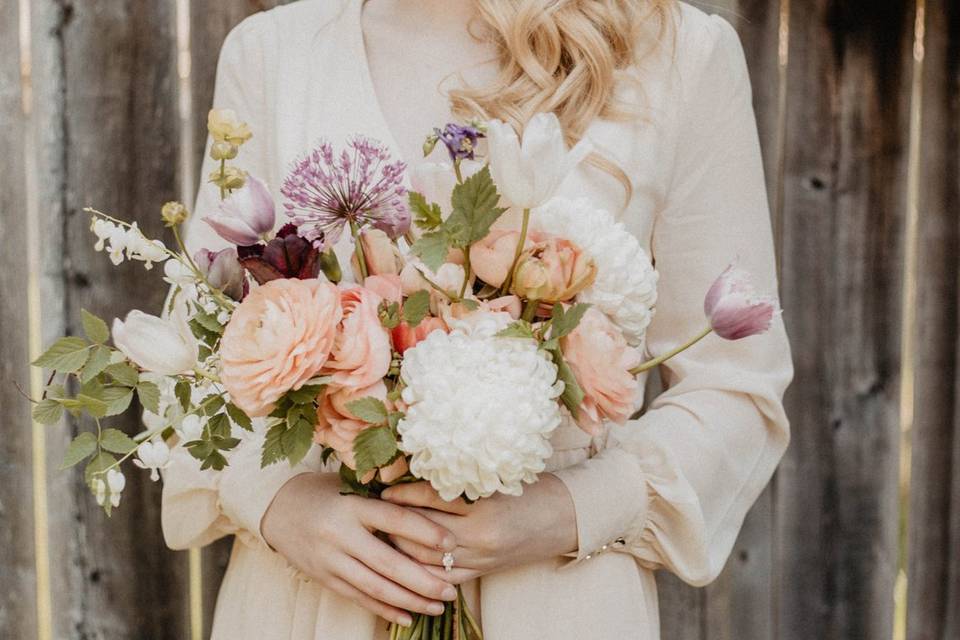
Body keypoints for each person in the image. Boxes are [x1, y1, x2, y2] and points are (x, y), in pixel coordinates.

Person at [161, 1, 794, 638]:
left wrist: (568, 510)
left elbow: (737, 387)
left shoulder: (678, 55)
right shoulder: (275, 52)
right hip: (311, 602)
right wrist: (278, 504)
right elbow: (191, 360)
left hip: (557, 601)